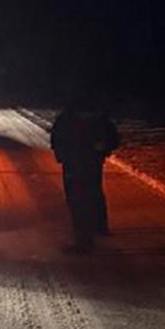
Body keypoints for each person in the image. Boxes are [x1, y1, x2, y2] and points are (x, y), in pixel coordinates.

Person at [50, 100, 120, 253]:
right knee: (92, 193)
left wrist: (61, 155)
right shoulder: (98, 116)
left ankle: (84, 241)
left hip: (76, 162)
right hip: (89, 161)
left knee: (78, 200)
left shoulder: (68, 116)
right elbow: (113, 138)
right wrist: (103, 148)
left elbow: (57, 137)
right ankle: (98, 227)